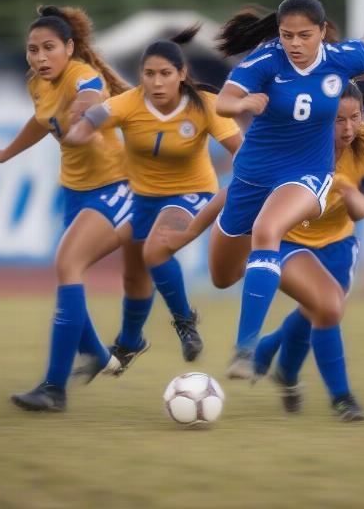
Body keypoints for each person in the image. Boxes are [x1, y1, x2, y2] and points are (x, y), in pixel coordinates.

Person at [148, 81, 364, 421]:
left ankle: (278, 362)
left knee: (317, 310)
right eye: (337, 120)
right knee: (328, 306)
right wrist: (188, 234)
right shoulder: (294, 149)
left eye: (354, 117)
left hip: (338, 244)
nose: (348, 128)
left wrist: (348, 191)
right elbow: (235, 193)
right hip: (288, 242)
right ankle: (342, 398)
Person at [0, 5, 152, 412]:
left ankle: (54, 389)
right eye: (32, 49)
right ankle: (95, 354)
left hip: (116, 187)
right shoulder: (38, 85)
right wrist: (5, 153)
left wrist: (83, 113)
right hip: (76, 192)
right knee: (69, 273)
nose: (39, 57)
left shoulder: (80, 75)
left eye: (48, 48)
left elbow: (91, 95)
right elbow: (41, 121)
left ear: (69, 48)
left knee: (68, 266)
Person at [210, 0, 364, 377]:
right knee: (222, 276)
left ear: (322, 33)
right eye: (287, 35)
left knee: (268, 228)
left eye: (304, 35)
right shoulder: (264, 61)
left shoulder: (341, 58)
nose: (294, 44)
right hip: (252, 176)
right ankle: (265, 275)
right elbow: (223, 103)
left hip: (308, 172)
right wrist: (244, 104)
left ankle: (244, 351)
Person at [64, 26, 242, 363]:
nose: (157, 82)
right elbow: (88, 123)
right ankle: (130, 341)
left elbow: (242, 152)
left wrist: (243, 183)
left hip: (192, 195)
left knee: (156, 247)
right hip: (142, 198)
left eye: (165, 73)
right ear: (140, 76)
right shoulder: (126, 104)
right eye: (149, 74)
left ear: (182, 74)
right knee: (133, 275)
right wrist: (77, 132)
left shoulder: (205, 105)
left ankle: (185, 321)